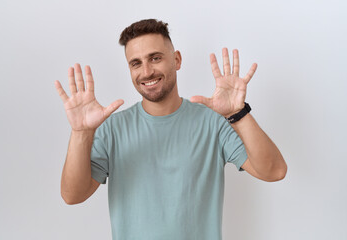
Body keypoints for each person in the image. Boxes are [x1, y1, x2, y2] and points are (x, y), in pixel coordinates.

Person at [55, 19, 287, 240]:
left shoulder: (212, 123)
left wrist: (238, 114)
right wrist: (81, 132)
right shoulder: (113, 129)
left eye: (155, 58)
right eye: (136, 63)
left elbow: (274, 171)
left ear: (176, 60)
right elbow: (72, 195)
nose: (146, 72)